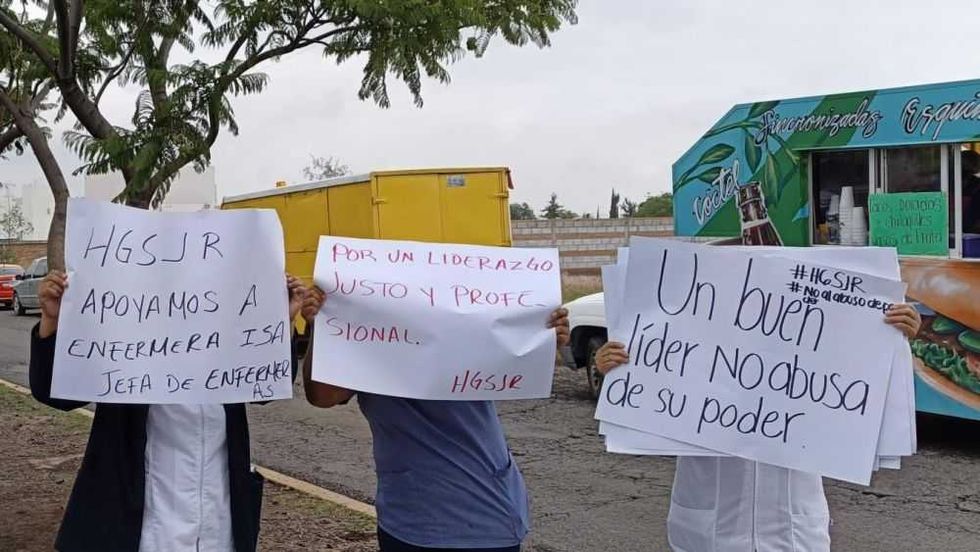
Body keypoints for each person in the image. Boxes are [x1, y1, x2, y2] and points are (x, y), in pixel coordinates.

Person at [593, 304, 922, 552]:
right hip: (706, 531)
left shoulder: (810, 355)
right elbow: (644, 414)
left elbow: (863, 393)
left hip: (794, 533)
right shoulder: (691, 350)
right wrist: (618, 372)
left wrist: (893, 343)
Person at [29, 271, 307, 552]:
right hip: (135, 528)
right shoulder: (119, 333)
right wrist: (51, 321)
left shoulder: (227, 336)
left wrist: (280, 320)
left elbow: (268, 387)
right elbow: (55, 394)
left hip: (218, 525)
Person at [300, 286, 569, 552]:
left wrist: (540, 338)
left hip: (485, 513)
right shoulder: (367, 337)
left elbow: (519, 362)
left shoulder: (464, 326)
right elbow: (323, 396)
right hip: (413, 518)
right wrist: (324, 327)